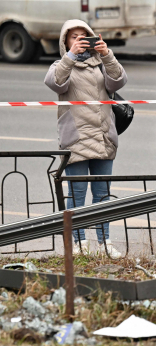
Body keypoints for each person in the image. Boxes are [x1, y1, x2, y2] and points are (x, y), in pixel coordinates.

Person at [44, 20, 127, 258]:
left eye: (84, 36)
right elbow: (54, 83)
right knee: (77, 193)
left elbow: (119, 80)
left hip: (103, 137)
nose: (80, 40)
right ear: (65, 41)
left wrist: (107, 54)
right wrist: (70, 56)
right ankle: (79, 243)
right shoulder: (61, 65)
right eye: (74, 37)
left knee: (102, 193)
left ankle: (105, 242)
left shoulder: (100, 63)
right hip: (77, 138)